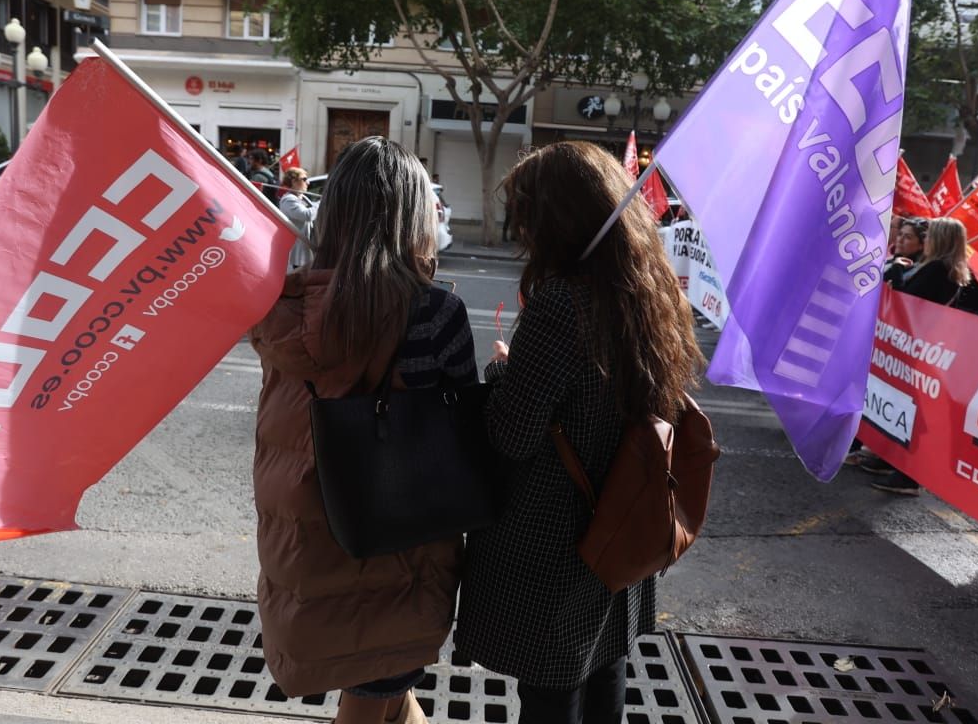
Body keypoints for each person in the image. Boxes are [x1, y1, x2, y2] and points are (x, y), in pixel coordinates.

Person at [455, 141, 703, 724]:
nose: (522, 230)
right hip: (624, 525)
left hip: (558, 543)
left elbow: (511, 434)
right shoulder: (652, 290)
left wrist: (504, 369)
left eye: (528, 214)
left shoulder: (560, 304)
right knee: (603, 673)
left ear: (558, 219)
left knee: (552, 694)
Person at [249, 137, 474, 724]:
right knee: (377, 692)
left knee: (384, 691)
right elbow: (464, 428)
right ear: (413, 216)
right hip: (401, 554)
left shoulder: (287, 307)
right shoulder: (433, 313)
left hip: (310, 547)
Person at [871, 217, 978, 496]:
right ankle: (891, 459)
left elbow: (907, 298)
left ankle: (907, 474)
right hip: (923, 344)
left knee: (912, 406)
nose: (927, 240)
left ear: (941, 240)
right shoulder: (949, 269)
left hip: (917, 345)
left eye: (931, 236)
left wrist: (896, 270)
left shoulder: (937, 268)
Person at [278, 167, 315, 272]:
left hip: (307, 248)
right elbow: (307, 215)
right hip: (297, 253)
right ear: (294, 181)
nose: (307, 182)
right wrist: (323, 202)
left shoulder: (302, 197)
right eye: (304, 179)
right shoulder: (288, 200)